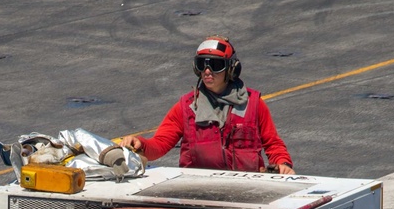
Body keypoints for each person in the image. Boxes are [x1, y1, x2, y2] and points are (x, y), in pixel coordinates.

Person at [120, 35, 294, 174]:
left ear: (232, 69)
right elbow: (159, 144)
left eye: (216, 65)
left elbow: (273, 144)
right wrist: (140, 144)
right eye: (202, 64)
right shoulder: (187, 107)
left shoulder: (254, 104)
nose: (207, 71)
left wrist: (283, 163)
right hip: (199, 192)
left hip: (247, 189)